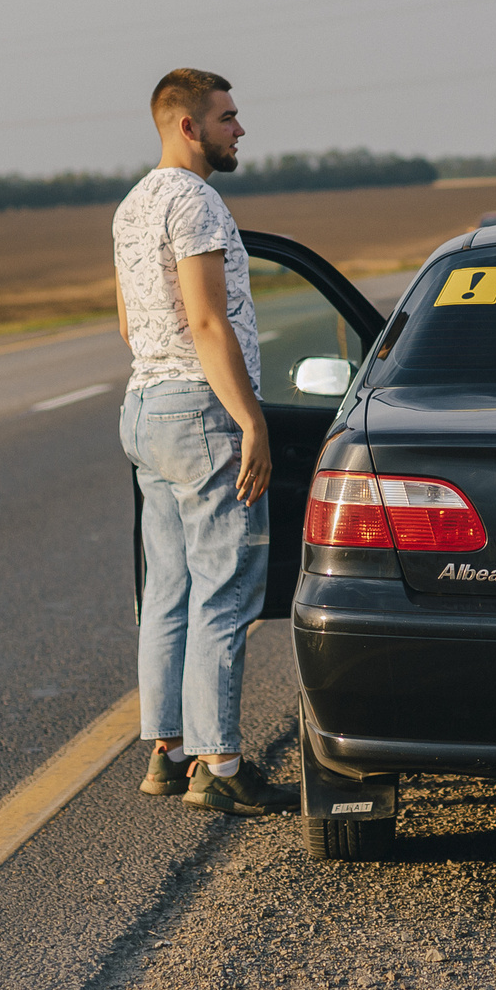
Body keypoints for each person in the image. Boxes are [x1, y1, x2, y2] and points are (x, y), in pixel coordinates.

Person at [113, 68, 285, 816]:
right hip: (199, 406)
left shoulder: (129, 207)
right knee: (224, 584)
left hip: (144, 407)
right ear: (188, 126)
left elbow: (127, 325)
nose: (239, 129)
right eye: (228, 117)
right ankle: (219, 763)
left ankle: (168, 750)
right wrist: (251, 418)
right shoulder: (196, 201)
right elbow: (209, 322)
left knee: (168, 588)